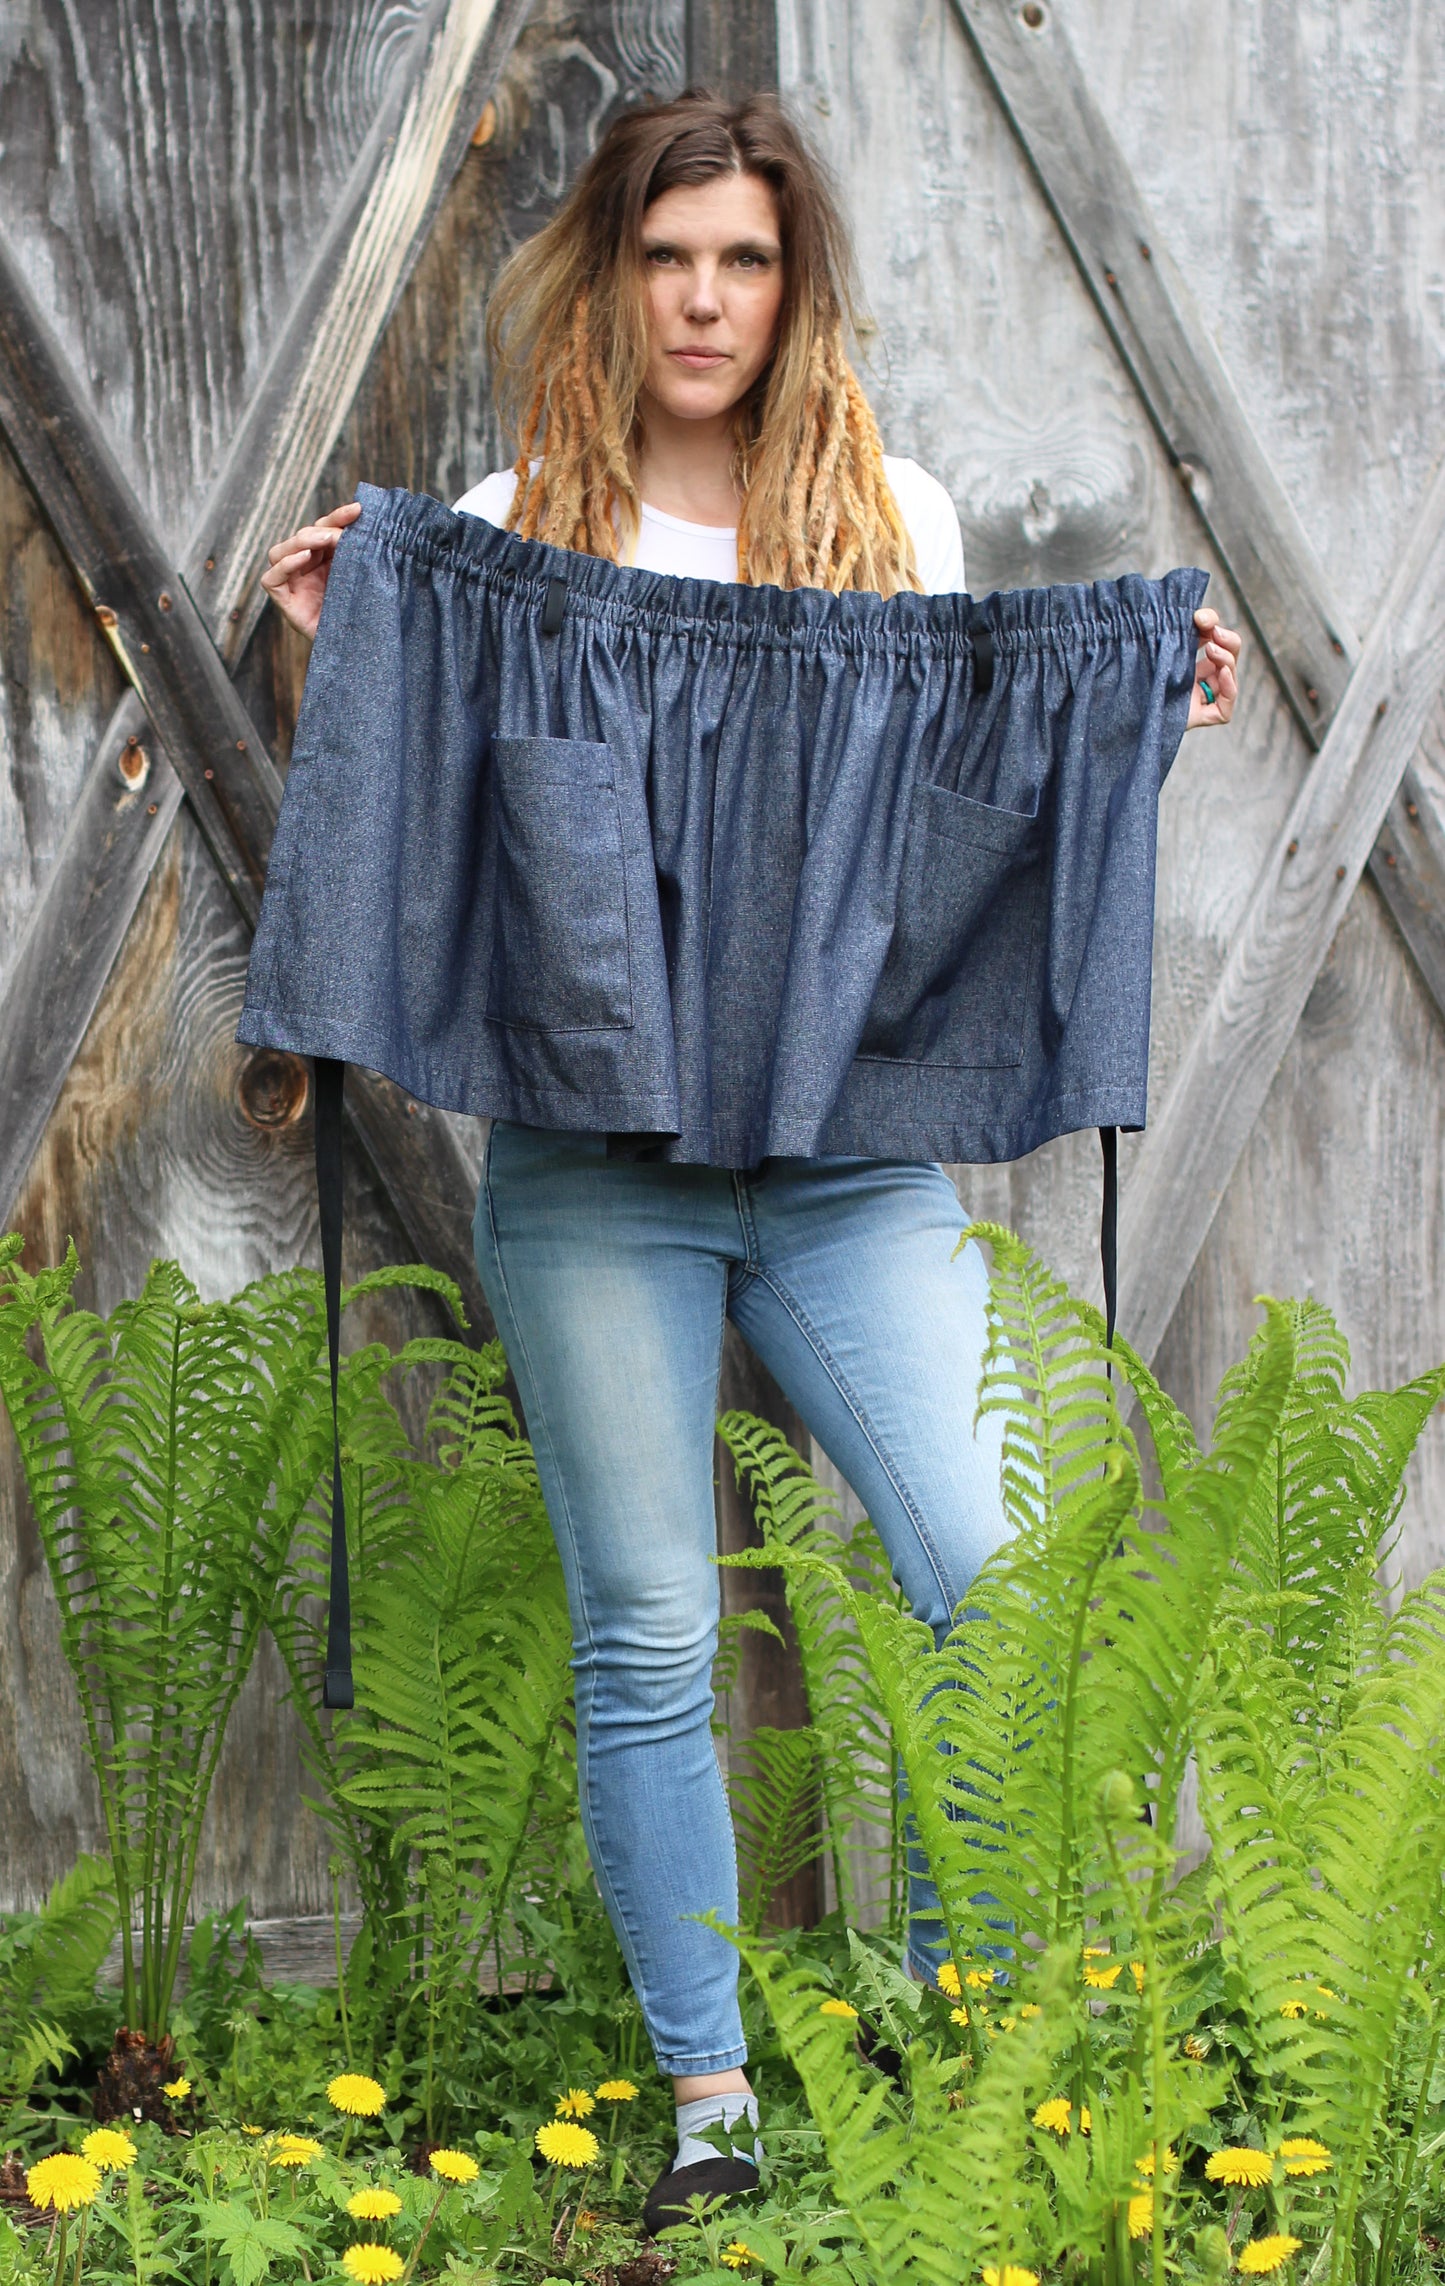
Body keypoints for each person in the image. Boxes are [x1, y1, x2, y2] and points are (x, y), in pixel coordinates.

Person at [260, 90, 1241, 2233]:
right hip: (592, 1171)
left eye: (747, 260)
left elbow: (972, 796)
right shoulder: (524, 529)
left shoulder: (896, 521)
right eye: (668, 256)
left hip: (848, 1168)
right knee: (645, 1637)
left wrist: (1127, 709)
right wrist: (364, 655)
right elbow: (428, 832)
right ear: (612, 277)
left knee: (985, 1575)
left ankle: (972, 2050)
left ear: (799, 289)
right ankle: (717, 2112)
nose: (704, 301)